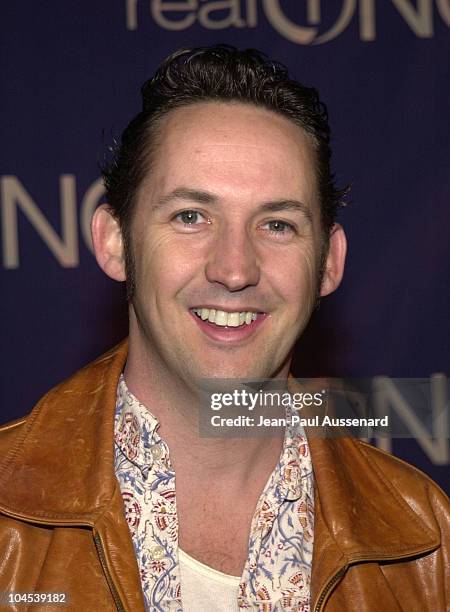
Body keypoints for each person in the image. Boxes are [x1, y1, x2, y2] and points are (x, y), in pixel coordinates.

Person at [0, 45, 448, 612]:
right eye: (191, 217)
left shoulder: (427, 544)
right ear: (115, 242)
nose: (235, 269)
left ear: (329, 263)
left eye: (278, 224)